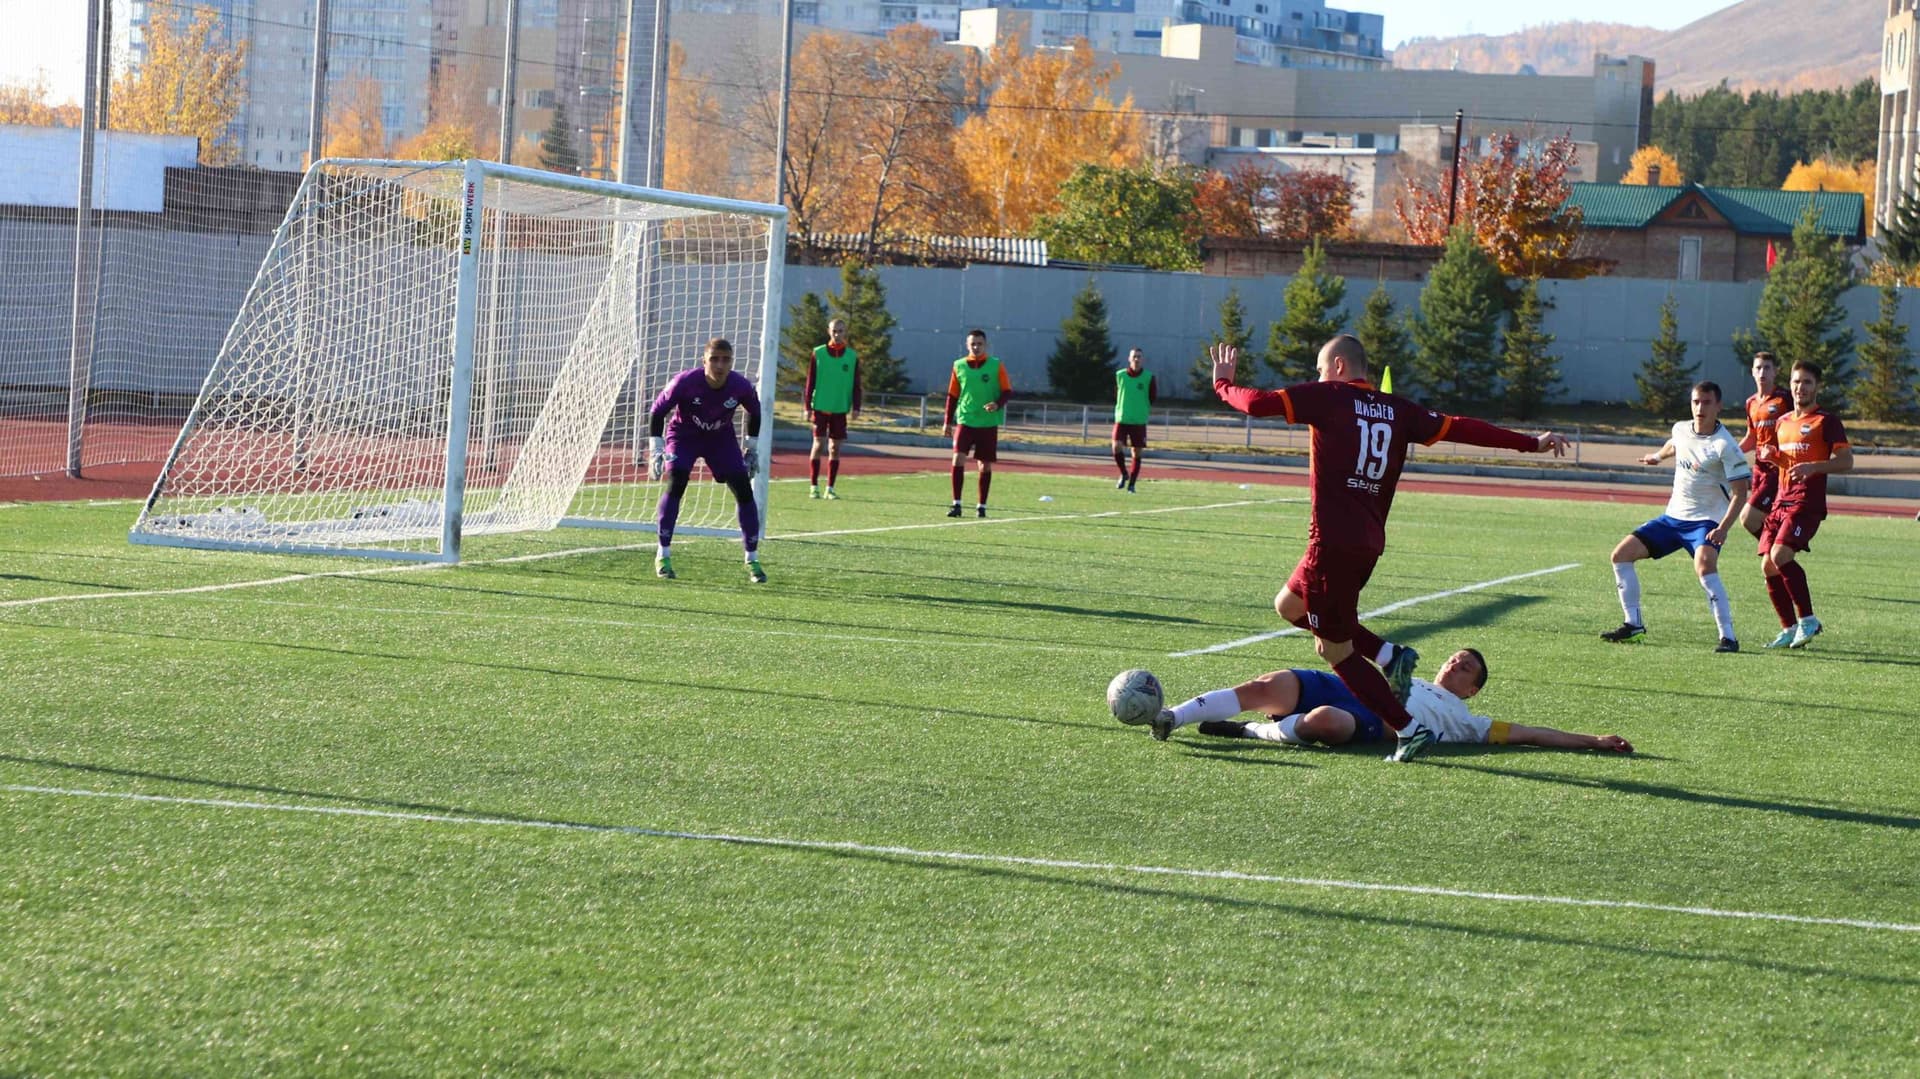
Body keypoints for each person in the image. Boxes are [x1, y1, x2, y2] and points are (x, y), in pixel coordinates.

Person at [1210, 335, 1571, 762]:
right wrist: (1531, 442)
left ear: (1340, 367)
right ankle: (1388, 653)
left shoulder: (1329, 396)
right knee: (1289, 605)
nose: (1319, 376)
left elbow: (1256, 404)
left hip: (1333, 544)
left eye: (1322, 368)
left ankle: (1408, 728)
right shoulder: (1399, 409)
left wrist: (1223, 385)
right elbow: (1462, 427)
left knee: (1333, 649)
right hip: (1366, 542)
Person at [1147, 648, 1632, 756]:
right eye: (1455, 659)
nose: (1456, 665)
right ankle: (1173, 717)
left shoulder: (1465, 720)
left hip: (1372, 717)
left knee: (1327, 723)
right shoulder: (1411, 676)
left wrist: (1591, 741)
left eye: (1467, 668)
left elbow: (1528, 734)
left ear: (1474, 689)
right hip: (1352, 684)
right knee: (1268, 684)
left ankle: (1253, 731)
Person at [1599, 380, 1751, 652]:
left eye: (1706, 402)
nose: (1699, 407)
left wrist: (1724, 528)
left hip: (1704, 522)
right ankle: (1633, 625)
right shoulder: (1681, 428)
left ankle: (1728, 637)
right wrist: (1658, 456)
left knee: (1705, 565)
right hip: (1672, 519)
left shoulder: (1724, 445)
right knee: (1620, 555)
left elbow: (1741, 493)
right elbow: (1675, 443)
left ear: (1719, 406)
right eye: (1695, 401)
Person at [647, 337, 767, 584]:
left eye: (726, 360)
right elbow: (657, 411)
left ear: (732, 362)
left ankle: (752, 558)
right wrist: (655, 448)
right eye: (714, 359)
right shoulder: (685, 382)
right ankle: (663, 554)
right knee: (677, 480)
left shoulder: (740, 386)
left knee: (743, 488)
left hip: (720, 438)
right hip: (684, 436)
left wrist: (752, 449)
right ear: (704, 361)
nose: (720, 365)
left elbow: (755, 412)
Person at [1756, 360, 1852, 648]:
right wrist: (1775, 458)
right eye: (1797, 382)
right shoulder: (1783, 422)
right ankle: (1788, 628)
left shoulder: (1826, 421)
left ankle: (1808, 619)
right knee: (1768, 567)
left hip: (1805, 502)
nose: (1801, 388)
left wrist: (1814, 468)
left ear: (1817, 387)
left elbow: (1846, 462)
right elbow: (1790, 462)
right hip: (1781, 501)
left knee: (1781, 555)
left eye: (1807, 382)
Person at [941, 328, 1012, 518]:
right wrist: (947, 421)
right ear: (967, 345)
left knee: (985, 465)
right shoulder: (959, 366)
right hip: (965, 419)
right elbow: (952, 396)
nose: (976, 347)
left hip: (988, 423)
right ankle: (956, 504)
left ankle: (981, 506)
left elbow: (1007, 391)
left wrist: (997, 404)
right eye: (972, 343)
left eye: (979, 343)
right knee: (957, 458)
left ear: (985, 345)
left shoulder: (996, 365)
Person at [804, 318, 861, 501]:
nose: (837, 334)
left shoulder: (852, 357)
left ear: (846, 332)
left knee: (835, 448)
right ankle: (814, 486)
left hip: (840, 408)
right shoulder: (818, 353)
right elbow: (810, 382)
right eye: (834, 331)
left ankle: (830, 487)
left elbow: (856, 385)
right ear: (829, 331)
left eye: (841, 331)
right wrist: (807, 407)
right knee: (818, 444)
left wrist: (856, 407)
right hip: (820, 407)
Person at [1737, 351, 1792, 538]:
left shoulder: (1785, 398)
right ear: (1752, 371)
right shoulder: (1750, 402)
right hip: (1759, 470)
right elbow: (1752, 437)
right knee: (1766, 520)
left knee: (1748, 517)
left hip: (1777, 470)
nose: (1762, 372)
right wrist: (1730, 452)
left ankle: (1774, 549)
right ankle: (1776, 556)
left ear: (1775, 371)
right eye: (1758, 368)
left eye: (1767, 368)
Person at [1112, 348, 1156, 492]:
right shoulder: (1120, 375)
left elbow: (1152, 397)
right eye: (1134, 356)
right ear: (1129, 358)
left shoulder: (1149, 377)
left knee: (1136, 452)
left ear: (1142, 359)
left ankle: (1132, 484)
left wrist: (1142, 408)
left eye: (1139, 357)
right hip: (1122, 418)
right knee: (1116, 446)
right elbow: (1116, 393)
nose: (1136, 359)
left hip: (1138, 420)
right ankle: (1124, 473)